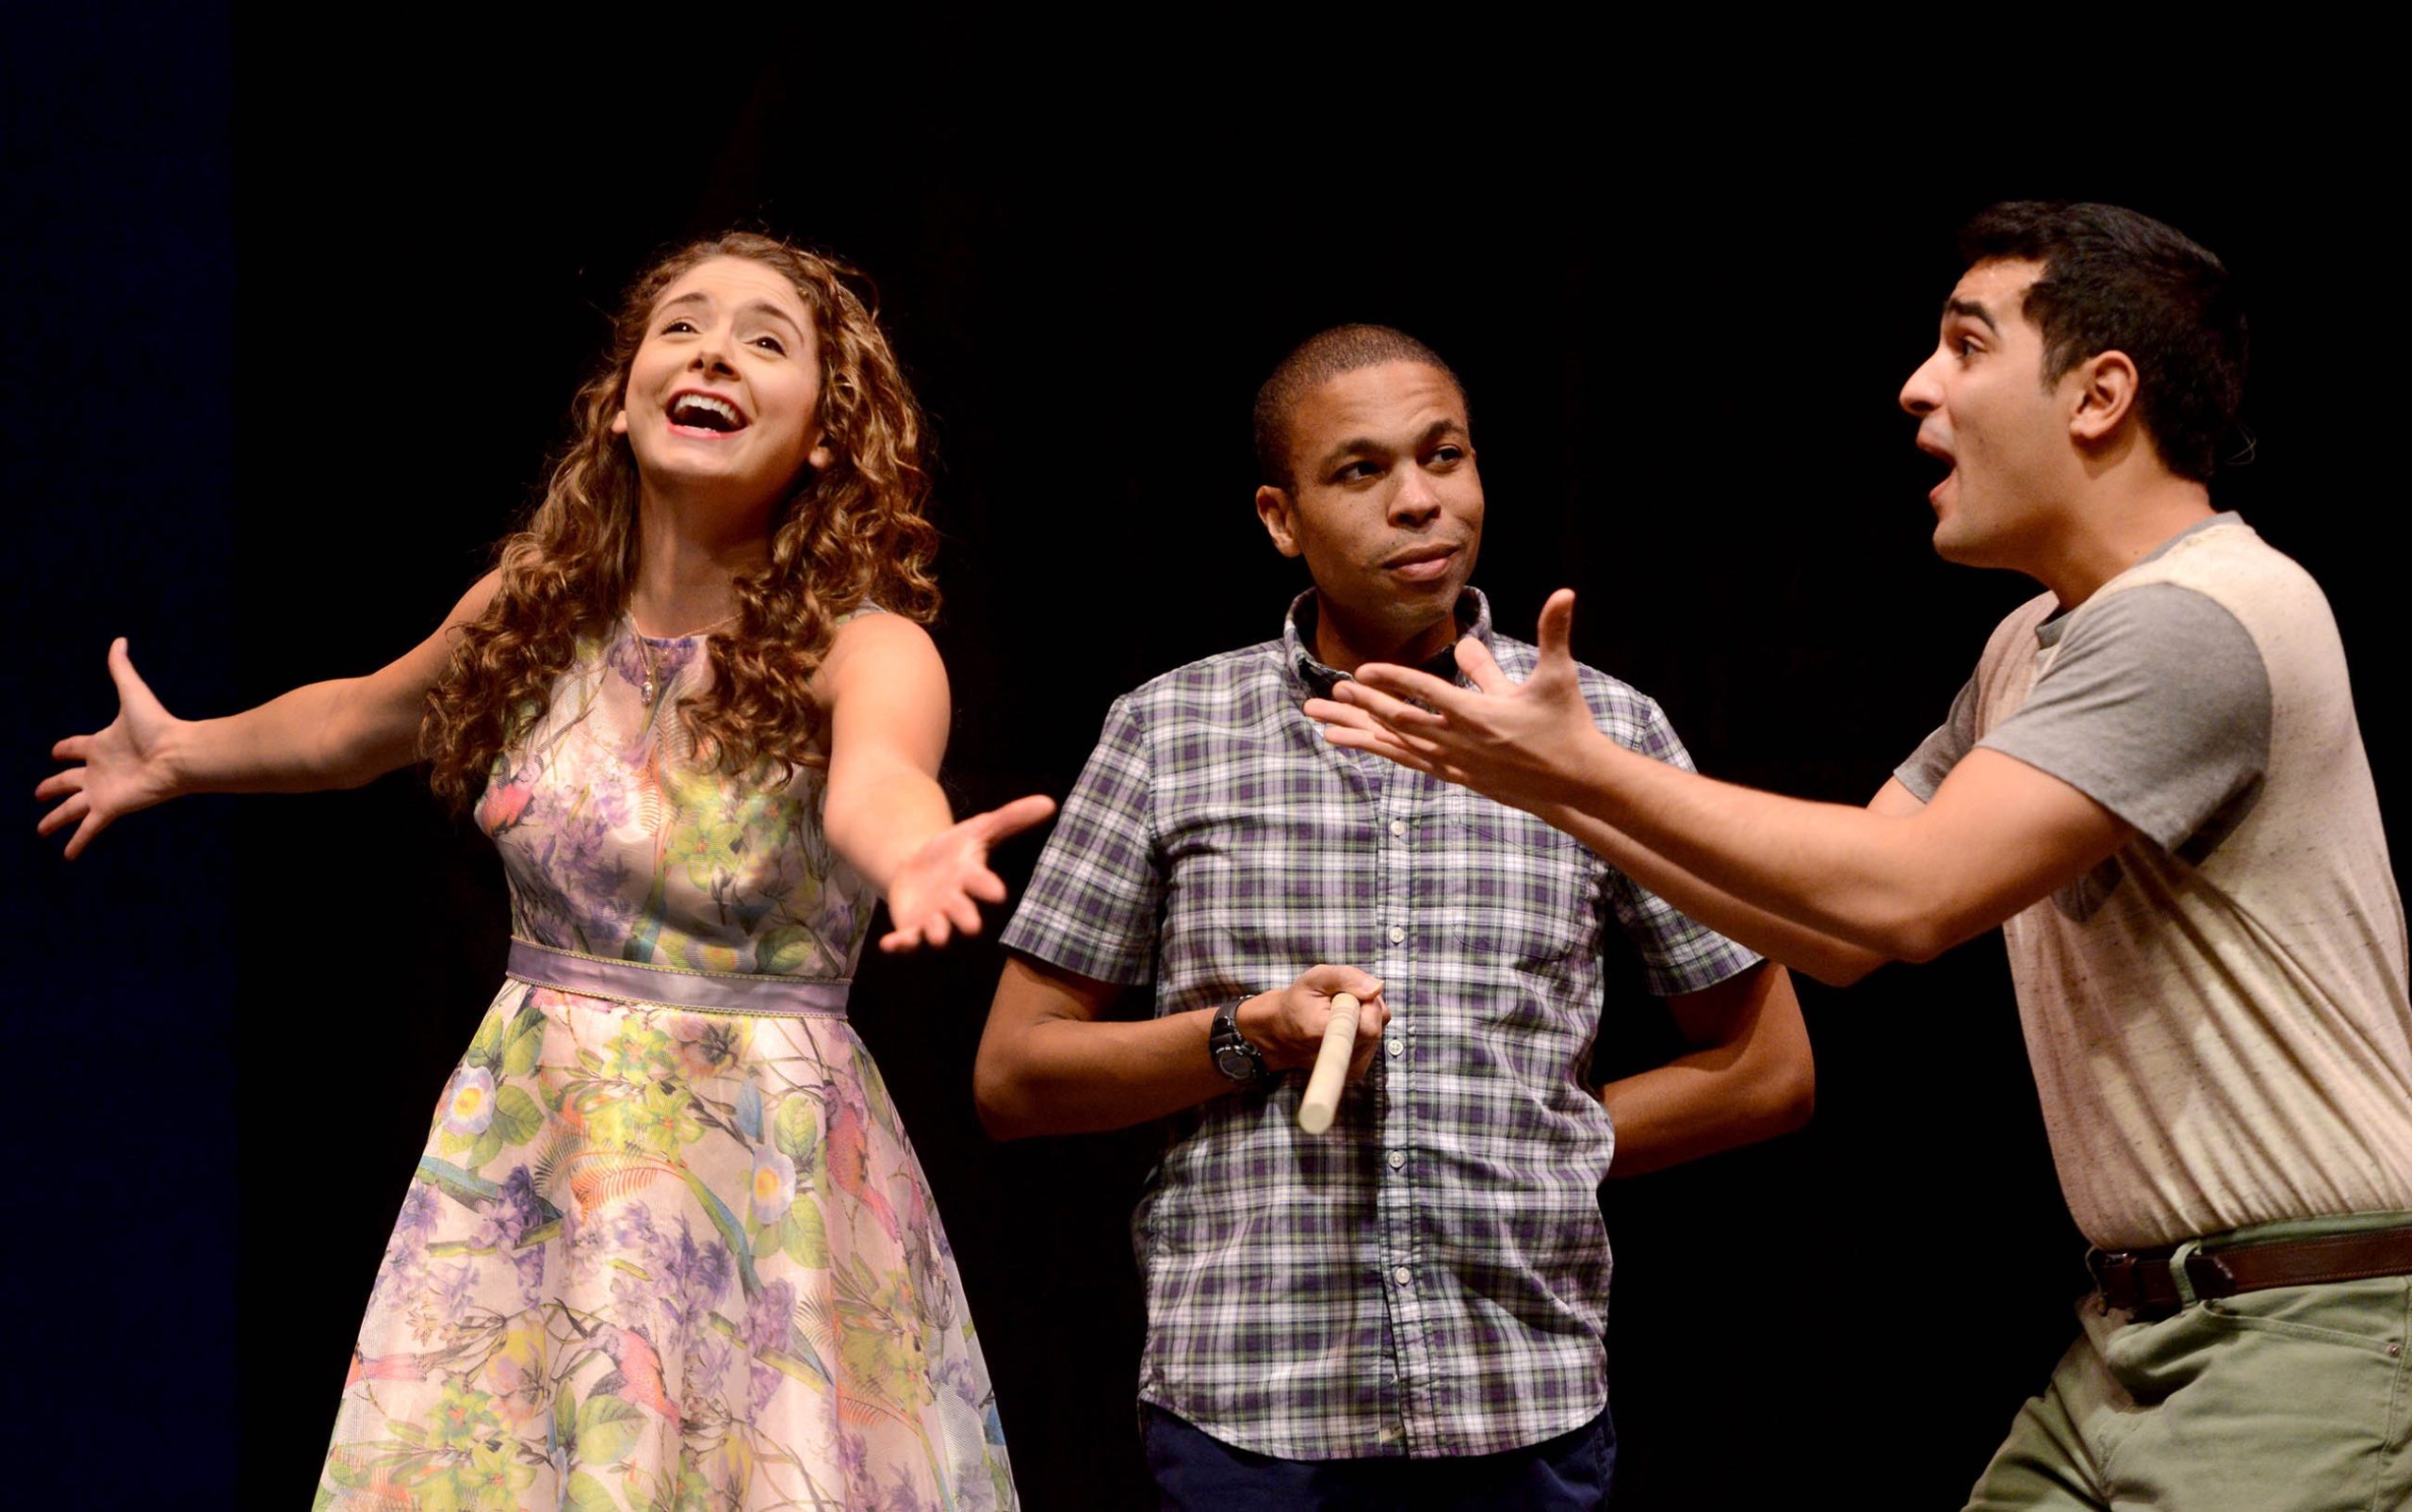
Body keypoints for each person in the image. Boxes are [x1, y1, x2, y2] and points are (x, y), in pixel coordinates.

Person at [1310, 203, 2412, 1510]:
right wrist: (1554, 791)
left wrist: (1579, 770)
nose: (1918, 385)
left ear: (2101, 393)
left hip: (2305, 1327)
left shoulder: (2200, 618)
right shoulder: (2036, 647)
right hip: (2138, 1330)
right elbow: (1829, 932)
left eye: (1965, 345)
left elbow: (1909, 898)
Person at [39, 233, 1041, 1510]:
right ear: (621, 398)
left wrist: (915, 852)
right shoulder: (534, 605)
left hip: (762, 1154)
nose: (714, 350)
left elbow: (882, 782)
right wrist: (181, 755)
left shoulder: (866, 644)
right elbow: (356, 725)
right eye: (681, 326)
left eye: (766, 339)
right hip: (542, 1132)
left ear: (829, 436)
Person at [973, 323, 1815, 1507]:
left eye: (1444, 456)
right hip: (1250, 1405)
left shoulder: (1603, 731)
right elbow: (1015, 1077)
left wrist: (1538, 1140)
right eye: (1361, 471)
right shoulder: (1170, 731)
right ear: (1280, 516)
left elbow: (1762, 1069)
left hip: (1519, 1399)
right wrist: (1249, 1034)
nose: (1418, 502)